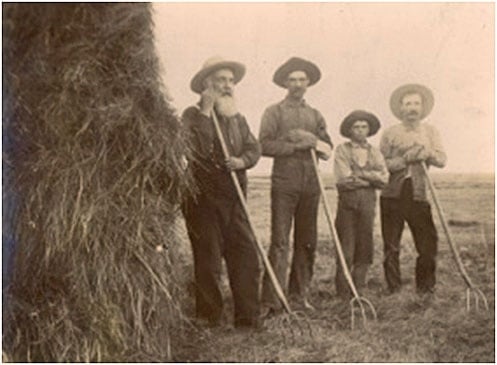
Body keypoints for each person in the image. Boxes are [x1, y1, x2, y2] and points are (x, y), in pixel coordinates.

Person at [181, 57, 262, 328]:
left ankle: (248, 318)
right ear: (207, 84)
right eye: (221, 80)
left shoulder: (237, 119)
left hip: (235, 198)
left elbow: (254, 149)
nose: (227, 86)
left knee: (246, 256)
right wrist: (205, 111)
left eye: (231, 81)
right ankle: (209, 317)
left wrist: (241, 162)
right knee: (208, 260)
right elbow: (197, 151)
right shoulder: (192, 116)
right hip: (203, 200)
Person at [259, 57, 333, 314]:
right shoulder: (274, 112)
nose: (297, 84)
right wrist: (294, 146)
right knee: (280, 242)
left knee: (307, 241)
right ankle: (271, 301)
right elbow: (264, 145)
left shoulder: (315, 114)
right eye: (292, 79)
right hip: (284, 183)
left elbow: (327, 149)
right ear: (284, 83)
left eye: (302, 79)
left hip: (311, 184)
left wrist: (312, 140)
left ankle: (299, 296)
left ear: (308, 83)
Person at [380, 84, 447, 295]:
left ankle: (425, 290)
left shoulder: (430, 131)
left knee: (428, 244)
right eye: (408, 103)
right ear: (400, 108)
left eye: (416, 103)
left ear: (422, 107)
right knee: (391, 245)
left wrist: (427, 153)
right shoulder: (390, 133)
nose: (412, 108)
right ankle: (394, 290)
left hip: (419, 193)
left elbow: (442, 160)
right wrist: (405, 159)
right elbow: (382, 165)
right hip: (392, 195)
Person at [333, 110, 388, 298]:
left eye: (364, 127)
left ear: (369, 130)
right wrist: (371, 179)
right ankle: (343, 292)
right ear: (349, 130)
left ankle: (359, 289)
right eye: (356, 127)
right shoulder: (342, 150)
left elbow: (384, 179)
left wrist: (362, 176)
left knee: (365, 247)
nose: (360, 131)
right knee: (346, 248)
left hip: (368, 205)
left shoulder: (375, 152)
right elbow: (344, 179)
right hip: (347, 205)